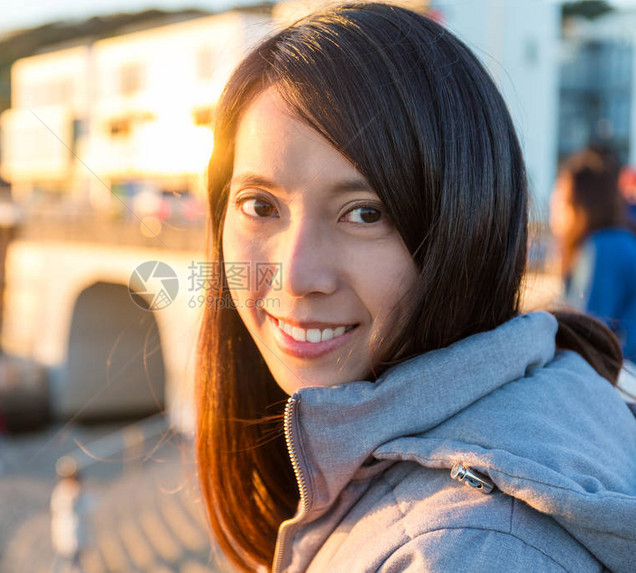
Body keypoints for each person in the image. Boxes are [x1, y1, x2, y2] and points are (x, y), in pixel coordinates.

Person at [195, 3, 636, 572]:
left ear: (466, 224)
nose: (296, 276)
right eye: (260, 206)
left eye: (365, 213)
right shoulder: (559, 385)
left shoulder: (456, 552)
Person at [550, 148, 636, 362]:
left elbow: (585, 339)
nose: (553, 202)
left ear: (581, 204)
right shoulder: (612, 241)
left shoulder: (604, 247)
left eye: (561, 193)